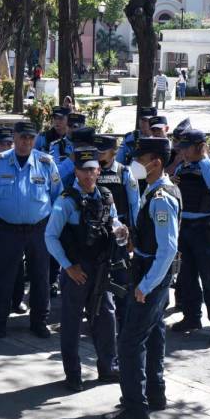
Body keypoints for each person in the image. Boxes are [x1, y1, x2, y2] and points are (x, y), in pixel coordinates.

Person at [102, 138, 180, 419]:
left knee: (130, 343)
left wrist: (145, 286)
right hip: (151, 274)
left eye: (140, 158)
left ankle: (135, 411)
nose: (135, 163)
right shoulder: (155, 189)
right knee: (154, 334)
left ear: (156, 162)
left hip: (152, 278)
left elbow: (168, 249)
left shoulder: (161, 197)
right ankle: (154, 394)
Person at [46, 148, 128, 392]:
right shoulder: (67, 200)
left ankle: (108, 367)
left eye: (92, 169)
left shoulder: (105, 196)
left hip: (102, 268)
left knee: (106, 318)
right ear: (76, 172)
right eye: (83, 170)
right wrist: (68, 266)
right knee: (71, 323)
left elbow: (114, 224)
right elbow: (50, 237)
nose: (89, 174)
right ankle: (73, 374)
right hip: (77, 270)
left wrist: (121, 232)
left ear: (99, 170)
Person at [0, 121, 61, 338]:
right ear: (14, 136)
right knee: (2, 277)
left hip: (39, 230)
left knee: (41, 278)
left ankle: (39, 321)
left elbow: (58, 197)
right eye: (22, 137)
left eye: (31, 138)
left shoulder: (46, 163)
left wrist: (55, 228)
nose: (26, 142)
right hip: (7, 231)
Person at [168, 129, 210, 345]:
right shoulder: (182, 166)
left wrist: (203, 158)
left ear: (200, 147)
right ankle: (192, 317)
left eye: (186, 148)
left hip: (205, 230)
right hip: (185, 228)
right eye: (181, 148)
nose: (182, 152)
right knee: (187, 278)